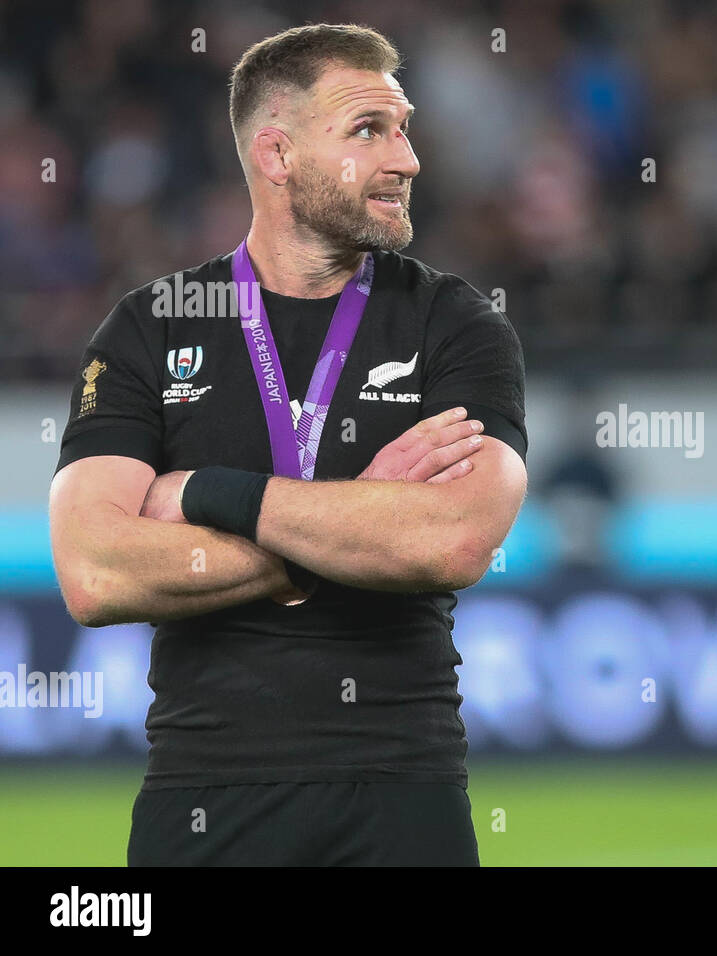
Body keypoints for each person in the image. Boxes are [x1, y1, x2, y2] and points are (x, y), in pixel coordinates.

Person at [48, 23, 528, 866]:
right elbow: (94, 570)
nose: (407, 159)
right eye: (369, 131)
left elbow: (451, 539)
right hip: (202, 797)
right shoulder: (151, 327)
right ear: (277, 155)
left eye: (404, 126)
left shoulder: (458, 323)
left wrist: (207, 493)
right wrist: (344, 526)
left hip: (402, 791)